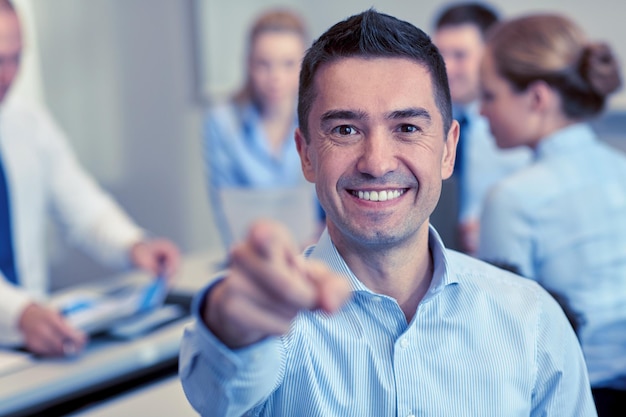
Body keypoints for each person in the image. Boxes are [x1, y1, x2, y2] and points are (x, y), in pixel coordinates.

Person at [180, 9, 596, 416]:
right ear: (306, 154)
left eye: (407, 128)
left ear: (448, 149)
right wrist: (228, 326)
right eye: (345, 129)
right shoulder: (271, 328)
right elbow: (219, 391)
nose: (376, 163)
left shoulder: (534, 321)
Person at [0, 0, 180, 357]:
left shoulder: (28, 123)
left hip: (35, 345)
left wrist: (133, 244)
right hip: (23, 324)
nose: (8, 76)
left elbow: (82, 206)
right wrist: (19, 313)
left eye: (16, 58)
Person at [477, 12, 625, 416]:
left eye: (490, 96)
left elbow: (499, 344)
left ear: (538, 98)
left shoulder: (513, 198)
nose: (482, 111)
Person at [203, 8, 322, 249]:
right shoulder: (221, 122)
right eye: (263, 64)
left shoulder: (320, 118)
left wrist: (318, 242)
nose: (275, 76)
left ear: (305, 66)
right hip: (253, 251)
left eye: (288, 64)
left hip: (315, 251)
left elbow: (331, 204)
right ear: (248, 64)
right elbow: (227, 209)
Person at [431, 2, 531, 254]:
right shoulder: (423, 122)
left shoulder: (519, 130)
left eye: (460, 55)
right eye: (440, 54)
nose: (447, 68)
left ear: (491, 56)